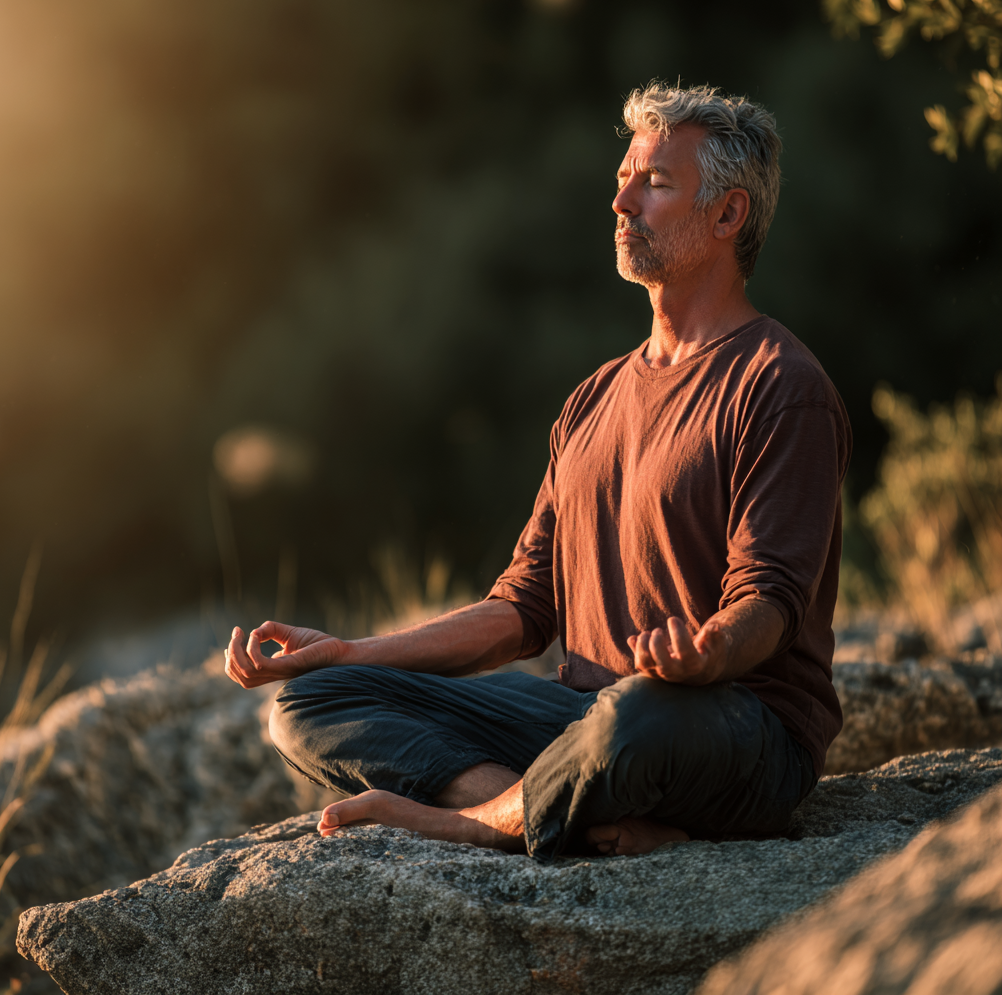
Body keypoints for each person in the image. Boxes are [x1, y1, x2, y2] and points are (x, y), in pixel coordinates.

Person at [225, 82, 851, 862]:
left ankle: (474, 823)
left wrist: (710, 651)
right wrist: (351, 651)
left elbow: (770, 600)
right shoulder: (592, 400)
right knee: (311, 701)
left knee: (639, 715)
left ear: (727, 216)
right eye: (622, 179)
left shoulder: (781, 384)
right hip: (583, 720)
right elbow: (521, 611)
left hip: (726, 725)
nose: (622, 203)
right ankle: (531, 808)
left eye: (654, 184)